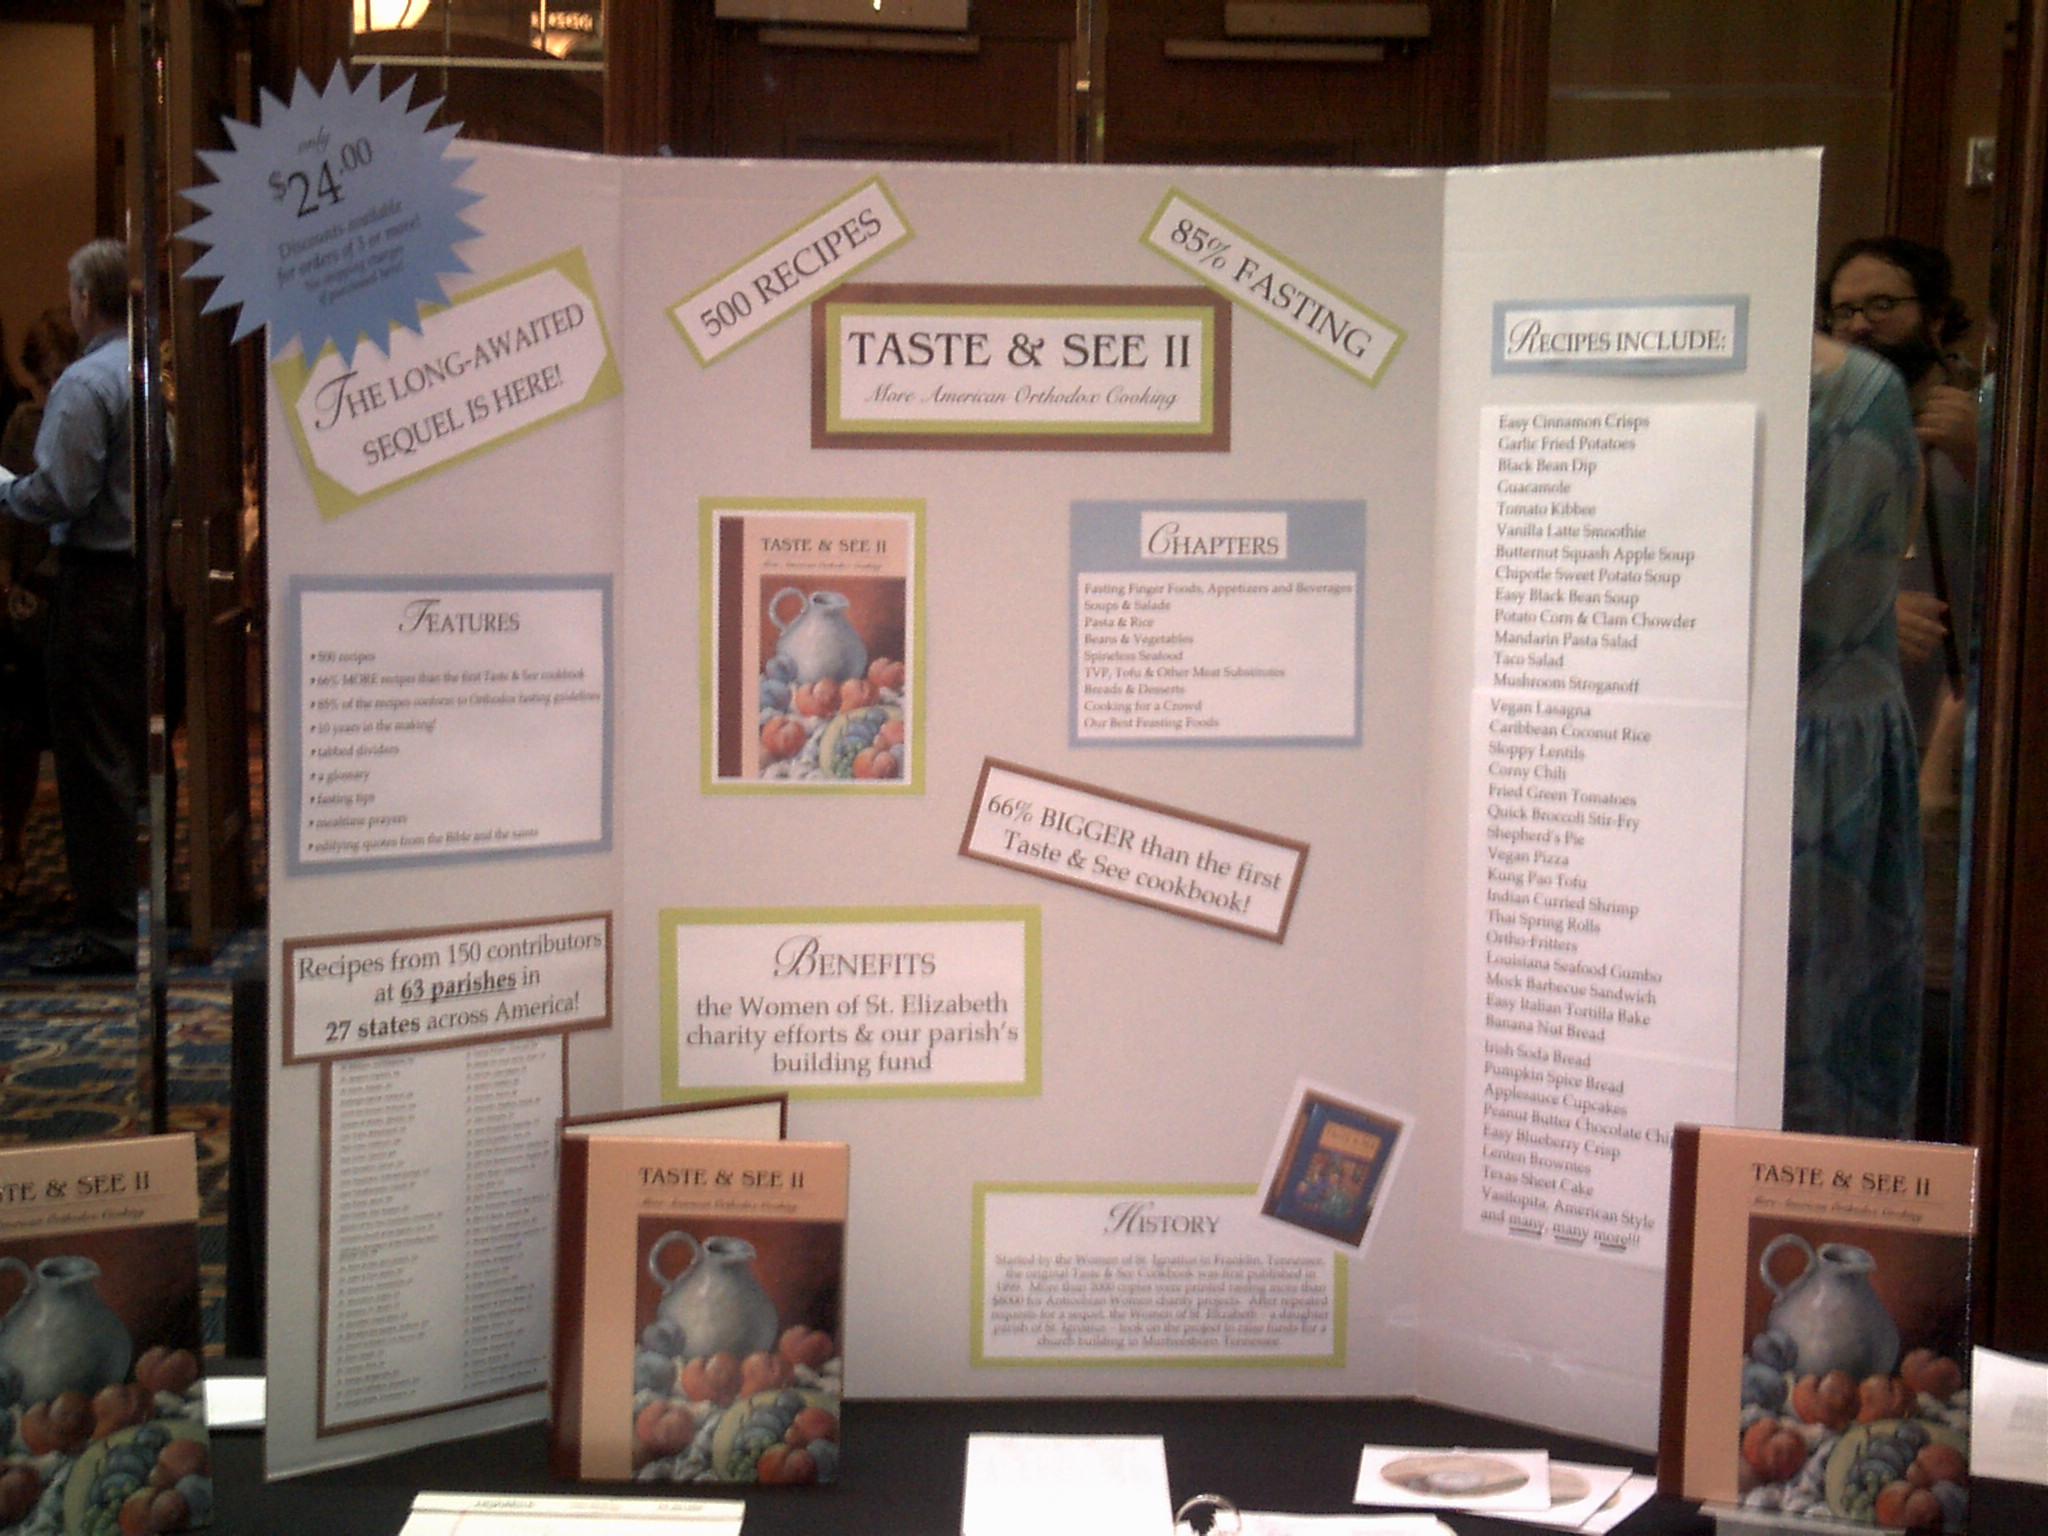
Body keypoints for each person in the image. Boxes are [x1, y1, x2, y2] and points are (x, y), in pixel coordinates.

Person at [1784, 332, 1925, 1137]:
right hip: (1746, 742)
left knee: (1824, 1029)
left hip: (1824, 754)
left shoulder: (1866, 392)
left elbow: (1828, 606)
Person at [0, 240, 142, 973]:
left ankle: (109, 931)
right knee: (118, 752)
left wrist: (4, 490)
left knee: (90, 766)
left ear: (87, 299)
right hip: (137, 577)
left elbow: (60, 492)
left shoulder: (85, 383)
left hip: (91, 582)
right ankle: (127, 917)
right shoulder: (142, 369)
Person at [1818, 238, 1980, 744]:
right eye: (1844, 312)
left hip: (1973, 722)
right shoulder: (1816, 431)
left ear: (1935, 318)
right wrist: (1871, 614)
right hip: (1853, 720)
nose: (1859, 325)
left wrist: (1977, 460)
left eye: (1882, 305)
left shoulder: (1999, 414)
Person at [0, 307, 77, 897]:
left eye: (56, 378)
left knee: (79, 738)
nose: (48, 392)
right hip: (29, 591)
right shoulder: (23, 424)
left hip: (78, 587)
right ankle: (12, 843)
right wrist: (7, 579)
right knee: (17, 731)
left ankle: (90, 867)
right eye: (40, 381)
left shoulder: (94, 416)